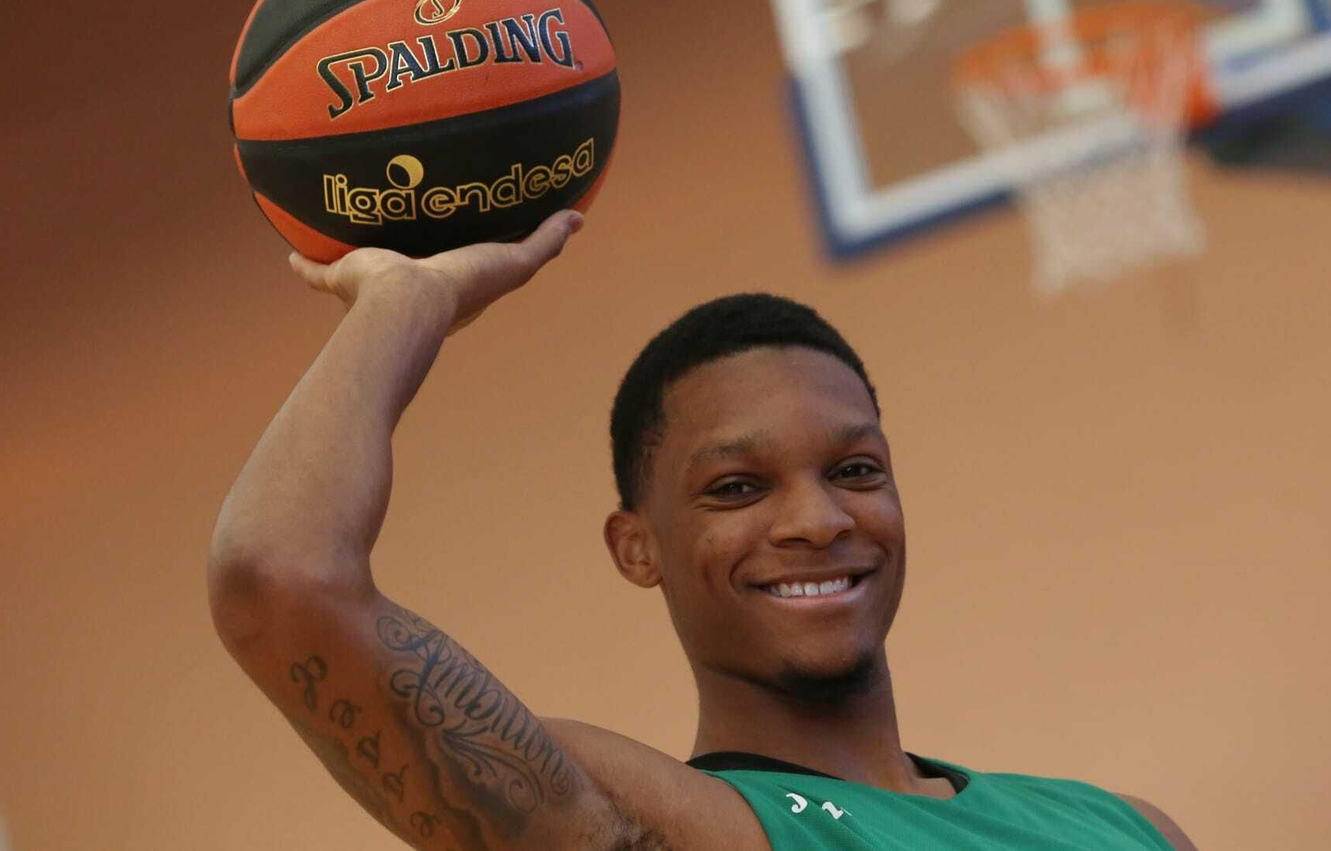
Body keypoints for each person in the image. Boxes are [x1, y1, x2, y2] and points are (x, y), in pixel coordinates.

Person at [208, 210, 1199, 851]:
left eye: (855, 471)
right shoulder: (653, 819)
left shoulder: (1123, 826)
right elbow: (282, 576)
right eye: (736, 486)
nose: (815, 519)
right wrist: (406, 300)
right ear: (635, 544)